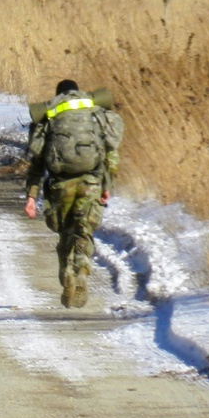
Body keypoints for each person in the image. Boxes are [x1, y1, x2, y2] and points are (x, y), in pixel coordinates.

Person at [23, 79, 124, 309]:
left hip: (60, 185)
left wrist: (32, 195)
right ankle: (82, 270)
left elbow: (37, 159)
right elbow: (110, 151)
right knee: (83, 230)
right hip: (91, 181)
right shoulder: (96, 112)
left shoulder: (50, 113)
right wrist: (107, 184)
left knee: (65, 233)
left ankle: (67, 272)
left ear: (58, 94)